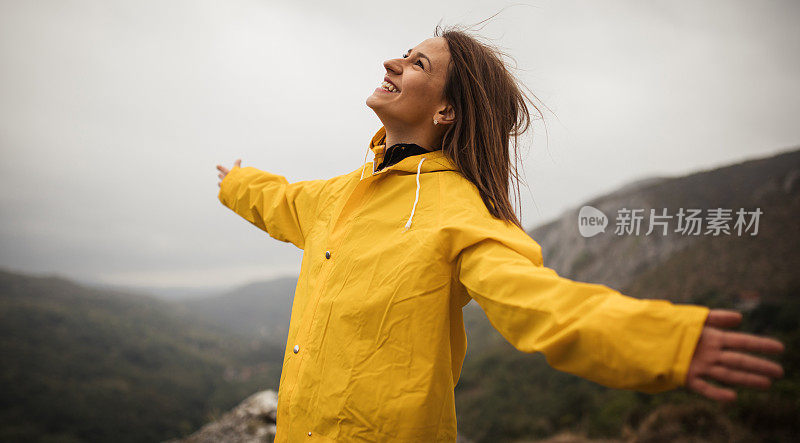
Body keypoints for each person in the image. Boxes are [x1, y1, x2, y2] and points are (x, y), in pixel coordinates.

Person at [215, 23, 785, 443]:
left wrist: (664, 341)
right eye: (405, 55)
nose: (391, 63)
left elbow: (539, 302)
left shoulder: (462, 213)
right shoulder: (340, 194)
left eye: (416, 64)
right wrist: (237, 181)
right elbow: (281, 199)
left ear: (446, 112)